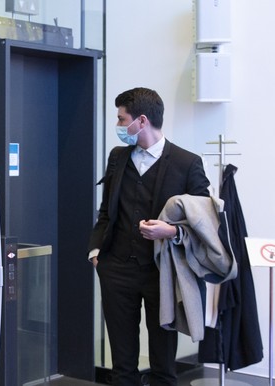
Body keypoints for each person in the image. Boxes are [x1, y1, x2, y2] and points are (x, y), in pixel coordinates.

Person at [87, 87, 210, 386]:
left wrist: (171, 231)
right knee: (123, 364)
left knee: (163, 364)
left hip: (163, 274)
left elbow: (206, 223)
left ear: (141, 121)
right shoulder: (117, 157)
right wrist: (95, 252)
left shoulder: (187, 163)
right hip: (115, 270)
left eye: (121, 119)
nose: (118, 126)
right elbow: (106, 210)